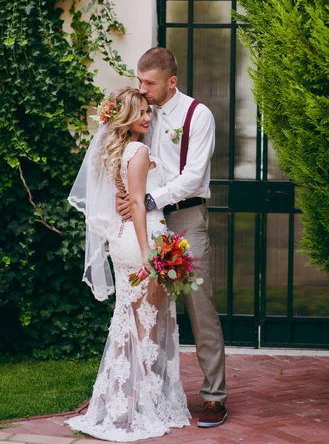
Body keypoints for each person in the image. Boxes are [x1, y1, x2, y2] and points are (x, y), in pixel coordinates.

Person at [66, 87, 191, 442]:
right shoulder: (137, 149)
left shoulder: (117, 150)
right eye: (141, 114)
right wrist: (149, 253)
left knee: (130, 322)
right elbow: (137, 204)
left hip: (123, 240)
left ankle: (123, 401)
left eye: (149, 113)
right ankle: (139, 407)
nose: (148, 119)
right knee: (145, 327)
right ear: (125, 117)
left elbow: (126, 198)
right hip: (140, 241)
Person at [116, 48, 228, 428]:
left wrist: (149, 200)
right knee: (151, 307)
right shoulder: (140, 113)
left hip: (185, 217)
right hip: (146, 221)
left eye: (149, 83)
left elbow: (194, 176)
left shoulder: (198, 115)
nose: (141, 89)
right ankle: (151, 392)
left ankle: (214, 397)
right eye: (139, 80)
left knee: (200, 306)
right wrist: (127, 196)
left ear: (171, 82)